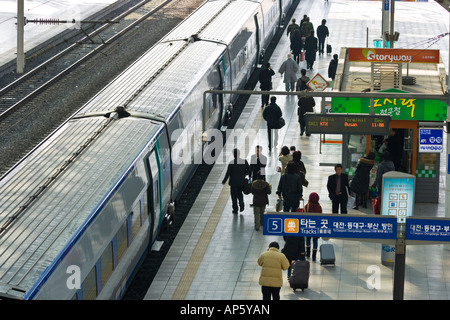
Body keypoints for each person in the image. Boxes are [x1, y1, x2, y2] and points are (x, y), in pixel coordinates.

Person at [222, 148, 250, 214]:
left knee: (234, 197)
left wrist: (224, 181)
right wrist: (244, 174)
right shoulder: (244, 161)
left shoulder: (231, 163)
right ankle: (241, 204)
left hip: (233, 184)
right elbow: (249, 170)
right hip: (241, 183)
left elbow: (228, 173)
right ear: (239, 154)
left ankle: (235, 209)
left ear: (233, 155)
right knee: (240, 194)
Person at [304, 192, 322, 261]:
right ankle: (314, 256)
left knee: (308, 239)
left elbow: (303, 215)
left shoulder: (307, 206)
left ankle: (308, 253)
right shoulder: (319, 207)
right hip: (316, 227)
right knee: (315, 240)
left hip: (308, 225)